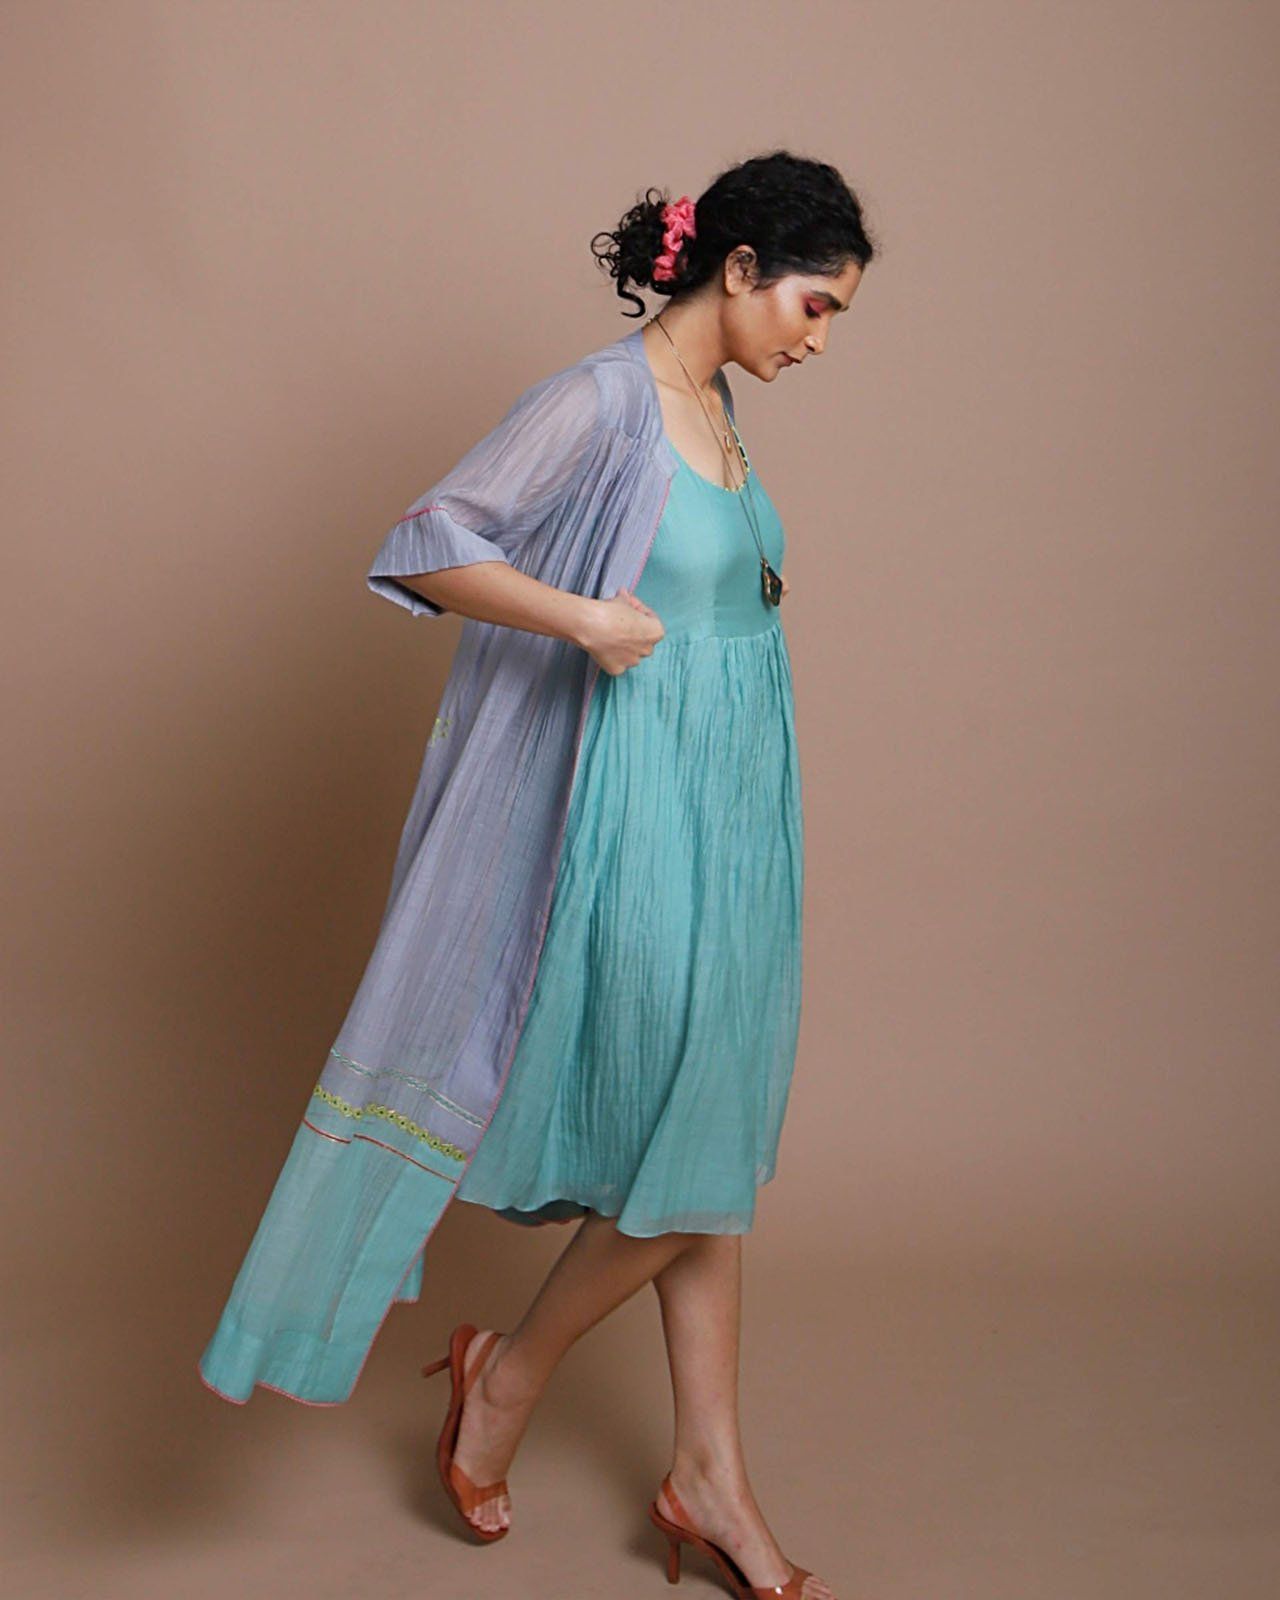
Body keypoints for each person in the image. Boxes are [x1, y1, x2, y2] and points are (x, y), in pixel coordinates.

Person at [200, 149, 875, 1600]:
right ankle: (506, 1379)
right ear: (739, 269)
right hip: (632, 811)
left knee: (711, 1128)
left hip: (734, 809)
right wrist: (582, 620)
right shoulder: (601, 400)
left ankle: (707, 1473)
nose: (821, 340)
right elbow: (426, 543)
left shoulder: (719, 403)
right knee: (687, 1132)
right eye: (814, 305)